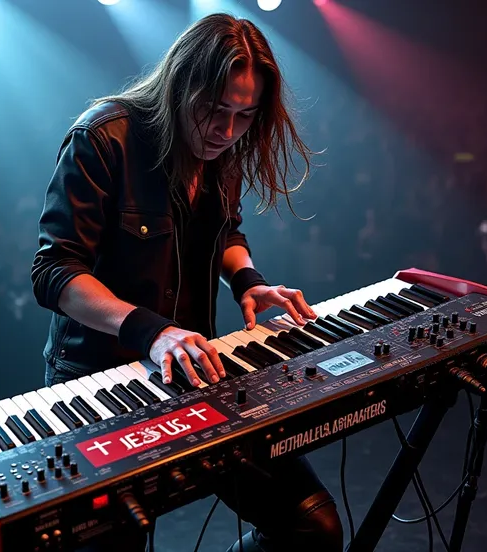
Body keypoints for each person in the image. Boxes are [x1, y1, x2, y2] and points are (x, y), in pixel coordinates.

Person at [31, 13, 343, 552]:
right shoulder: (104, 138)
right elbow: (55, 271)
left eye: (245, 116)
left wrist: (247, 280)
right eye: (216, 109)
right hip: (99, 384)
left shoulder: (221, 152)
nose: (227, 131)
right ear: (181, 85)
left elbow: (225, 231)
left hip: (193, 369)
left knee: (311, 526)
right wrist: (152, 331)